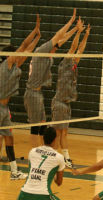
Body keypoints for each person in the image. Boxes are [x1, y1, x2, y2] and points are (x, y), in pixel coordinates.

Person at [24, 9, 77, 148]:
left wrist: (76, 30)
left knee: (42, 124)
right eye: (55, 46)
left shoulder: (49, 54)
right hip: (32, 92)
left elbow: (61, 40)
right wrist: (71, 22)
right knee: (36, 127)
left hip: (37, 93)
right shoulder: (41, 50)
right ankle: (35, 155)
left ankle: (42, 151)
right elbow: (58, 35)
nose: (57, 48)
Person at [0, 14, 41, 180]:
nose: (18, 54)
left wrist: (38, 37)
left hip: (5, 109)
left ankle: (14, 171)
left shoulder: (15, 66)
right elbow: (24, 45)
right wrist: (34, 30)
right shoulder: (6, 64)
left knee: (10, 139)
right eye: (15, 52)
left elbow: (28, 50)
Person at [51, 19, 90, 168]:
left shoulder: (72, 65)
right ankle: (53, 158)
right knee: (57, 133)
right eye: (71, 56)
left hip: (66, 104)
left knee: (64, 133)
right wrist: (78, 32)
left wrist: (86, 35)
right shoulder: (64, 65)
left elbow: (80, 50)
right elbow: (74, 47)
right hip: (59, 103)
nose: (74, 57)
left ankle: (66, 158)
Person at [17, 127, 65, 200]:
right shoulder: (59, 157)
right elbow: (59, 182)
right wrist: (53, 172)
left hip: (23, 194)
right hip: (43, 195)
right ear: (55, 139)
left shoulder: (32, 152)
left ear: (43, 138)